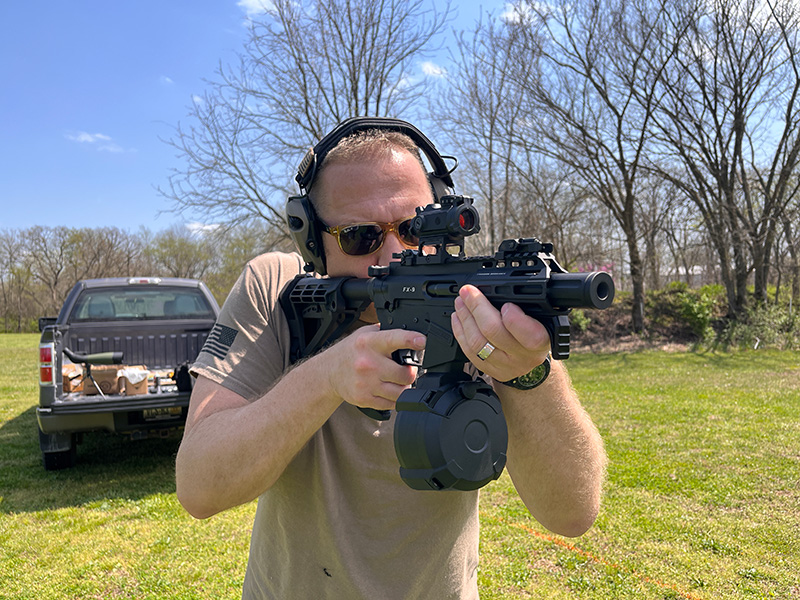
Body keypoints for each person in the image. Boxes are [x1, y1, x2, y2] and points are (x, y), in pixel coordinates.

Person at [175, 117, 607, 599]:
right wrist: (326, 377)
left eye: (411, 226)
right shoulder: (275, 288)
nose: (395, 253)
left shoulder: (477, 300)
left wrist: (529, 374)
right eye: (361, 236)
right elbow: (199, 487)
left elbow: (573, 512)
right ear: (313, 241)